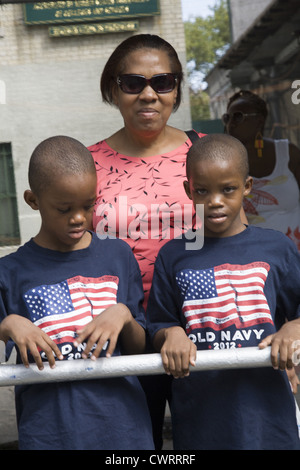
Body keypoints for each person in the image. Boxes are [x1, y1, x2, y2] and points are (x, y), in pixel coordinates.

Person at [88, 33, 205, 449]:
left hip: (204, 328)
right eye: (133, 83)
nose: (149, 94)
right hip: (121, 335)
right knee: (133, 446)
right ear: (113, 89)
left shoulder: (205, 153)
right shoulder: (88, 164)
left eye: (163, 82)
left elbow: (241, 241)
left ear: (176, 88)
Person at [146, 134, 300, 450]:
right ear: (189, 190)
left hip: (268, 418)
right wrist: (172, 334)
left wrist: (294, 327)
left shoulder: (277, 248)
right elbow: (158, 325)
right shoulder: (174, 255)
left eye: (227, 189)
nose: (214, 200)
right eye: (202, 190)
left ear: (247, 186)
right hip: (201, 419)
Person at [0, 135, 154, 450]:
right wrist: (8, 324)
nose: (79, 218)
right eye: (64, 208)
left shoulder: (117, 255)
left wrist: (123, 315)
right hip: (49, 433)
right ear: (33, 200)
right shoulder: (10, 271)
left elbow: (139, 351)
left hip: (124, 431)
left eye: (88, 205)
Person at [223, 89, 300, 251]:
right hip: (253, 259)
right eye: (227, 118)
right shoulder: (223, 164)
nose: (231, 123)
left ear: (259, 121)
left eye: (238, 116)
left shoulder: (288, 153)